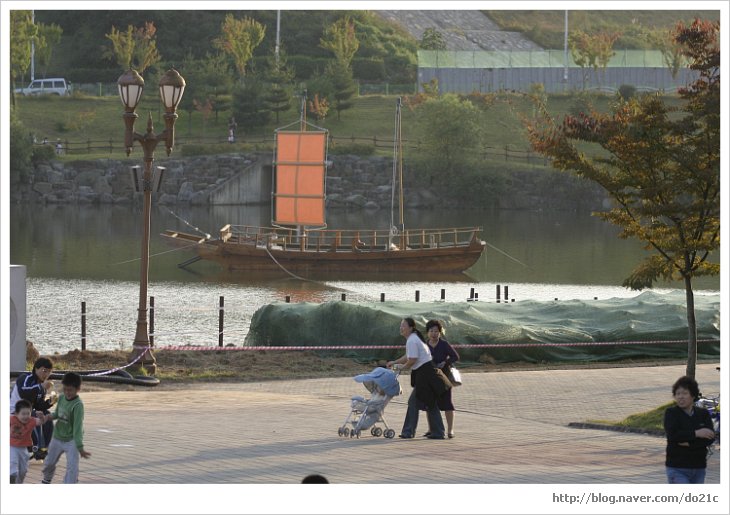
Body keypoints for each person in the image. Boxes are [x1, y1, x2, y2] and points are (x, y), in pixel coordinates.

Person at [386, 318, 448, 439]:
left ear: (410, 328)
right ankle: (438, 432)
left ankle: (408, 432)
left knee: (414, 402)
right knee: (430, 403)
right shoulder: (413, 339)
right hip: (427, 373)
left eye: (403, 326)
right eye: (400, 325)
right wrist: (395, 362)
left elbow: (412, 360)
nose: (401, 328)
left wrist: (401, 368)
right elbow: (408, 356)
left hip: (426, 375)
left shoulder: (412, 340)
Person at [663, 375, 715, 484]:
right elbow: (673, 436)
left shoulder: (703, 414)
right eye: (678, 394)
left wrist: (690, 443)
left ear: (693, 396)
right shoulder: (671, 413)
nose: (681, 397)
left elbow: (710, 437)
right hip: (677, 467)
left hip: (699, 467)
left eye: (685, 393)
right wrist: (697, 433)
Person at [41, 372, 91, 484]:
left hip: (71, 440)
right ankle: (47, 479)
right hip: (57, 437)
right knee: (49, 463)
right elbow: (57, 414)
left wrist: (80, 447)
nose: (67, 392)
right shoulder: (62, 397)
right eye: (65, 389)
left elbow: (78, 427)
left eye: (70, 390)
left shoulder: (78, 405)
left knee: (72, 467)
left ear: (78, 389)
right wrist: (48, 417)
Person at [9, 357, 56, 460]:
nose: (46, 374)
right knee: (34, 416)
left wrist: (50, 402)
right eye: (44, 370)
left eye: (49, 372)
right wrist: (40, 387)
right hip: (12, 412)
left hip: (25, 413)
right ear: (36, 369)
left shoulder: (41, 387)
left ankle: (44, 448)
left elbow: (38, 405)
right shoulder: (25, 378)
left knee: (46, 414)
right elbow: (24, 391)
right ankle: (37, 448)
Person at [422, 319, 460, 438]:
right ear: (427, 332)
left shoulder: (444, 344)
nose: (434, 334)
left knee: (447, 403)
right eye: (431, 331)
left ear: (440, 332)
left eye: (436, 331)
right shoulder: (425, 346)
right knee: (430, 404)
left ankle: (450, 430)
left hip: (444, 378)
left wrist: (446, 362)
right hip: (430, 378)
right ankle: (431, 428)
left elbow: (455, 356)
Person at [10, 399, 46, 483]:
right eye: (23, 414)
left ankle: (18, 482)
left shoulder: (31, 420)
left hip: (23, 448)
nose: (26, 416)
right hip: (12, 446)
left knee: (24, 470)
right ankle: (11, 478)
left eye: (28, 413)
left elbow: (41, 422)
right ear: (16, 414)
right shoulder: (12, 419)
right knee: (13, 463)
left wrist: (41, 417)